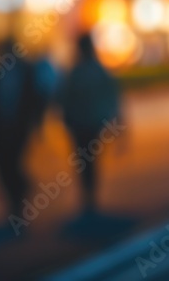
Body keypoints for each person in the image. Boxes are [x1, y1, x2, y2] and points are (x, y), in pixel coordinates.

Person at [59, 33, 121, 212]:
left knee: (85, 161)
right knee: (89, 161)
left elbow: (64, 98)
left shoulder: (77, 71)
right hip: (89, 123)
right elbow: (111, 98)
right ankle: (89, 198)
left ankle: (89, 198)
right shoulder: (93, 70)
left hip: (83, 123)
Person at [0, 39, 37, 216]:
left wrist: (34, 124)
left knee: (13, 163)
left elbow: (34, 99)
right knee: (1, 165)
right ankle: (18, 193)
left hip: (19, 128)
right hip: (1, 128)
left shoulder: (26, 70)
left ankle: (17, 203)